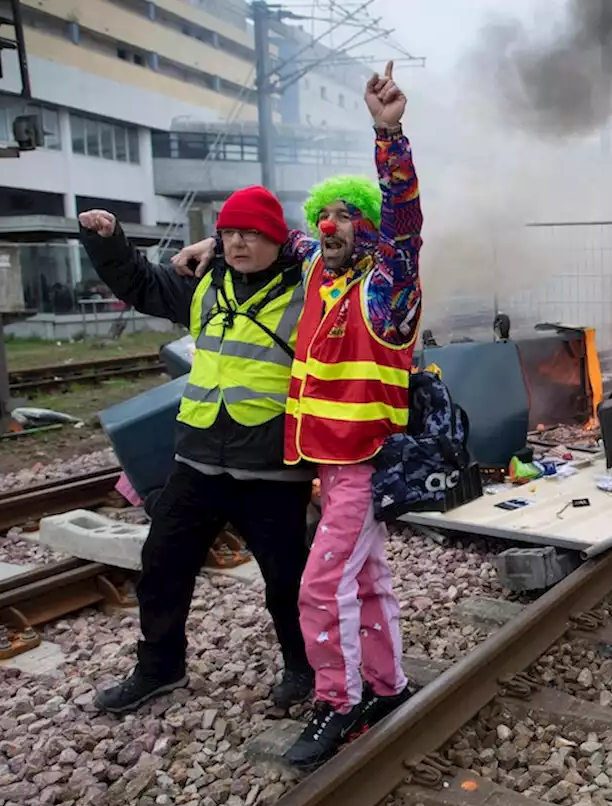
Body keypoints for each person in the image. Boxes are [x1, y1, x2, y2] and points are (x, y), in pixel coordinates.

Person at [172, 61, 423, 768]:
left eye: (348, 216)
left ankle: (337, 703)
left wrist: (389, 135)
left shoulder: (387, 285)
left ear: (369, 227)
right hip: (329, 466)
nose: (331, 225)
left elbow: (403, 218)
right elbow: (285, 238)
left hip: (363, 465)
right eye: (325, 217)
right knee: (367, 580)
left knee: (320, 586)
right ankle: (387, 684)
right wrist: (208, 248)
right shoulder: (322, 273)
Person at [76, 188, 315, 714]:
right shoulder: (204, 283)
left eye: (250, 233)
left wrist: (283, 243)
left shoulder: (311, 289)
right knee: (161, 564)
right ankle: (160, 667)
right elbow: (138, 282)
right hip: (198, 461)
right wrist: (108, 241)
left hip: (272, 468)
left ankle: (303, 667)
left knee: (287, 580)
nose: (236, 243)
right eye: (229, 233)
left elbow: (354, 257)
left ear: (278, 237)